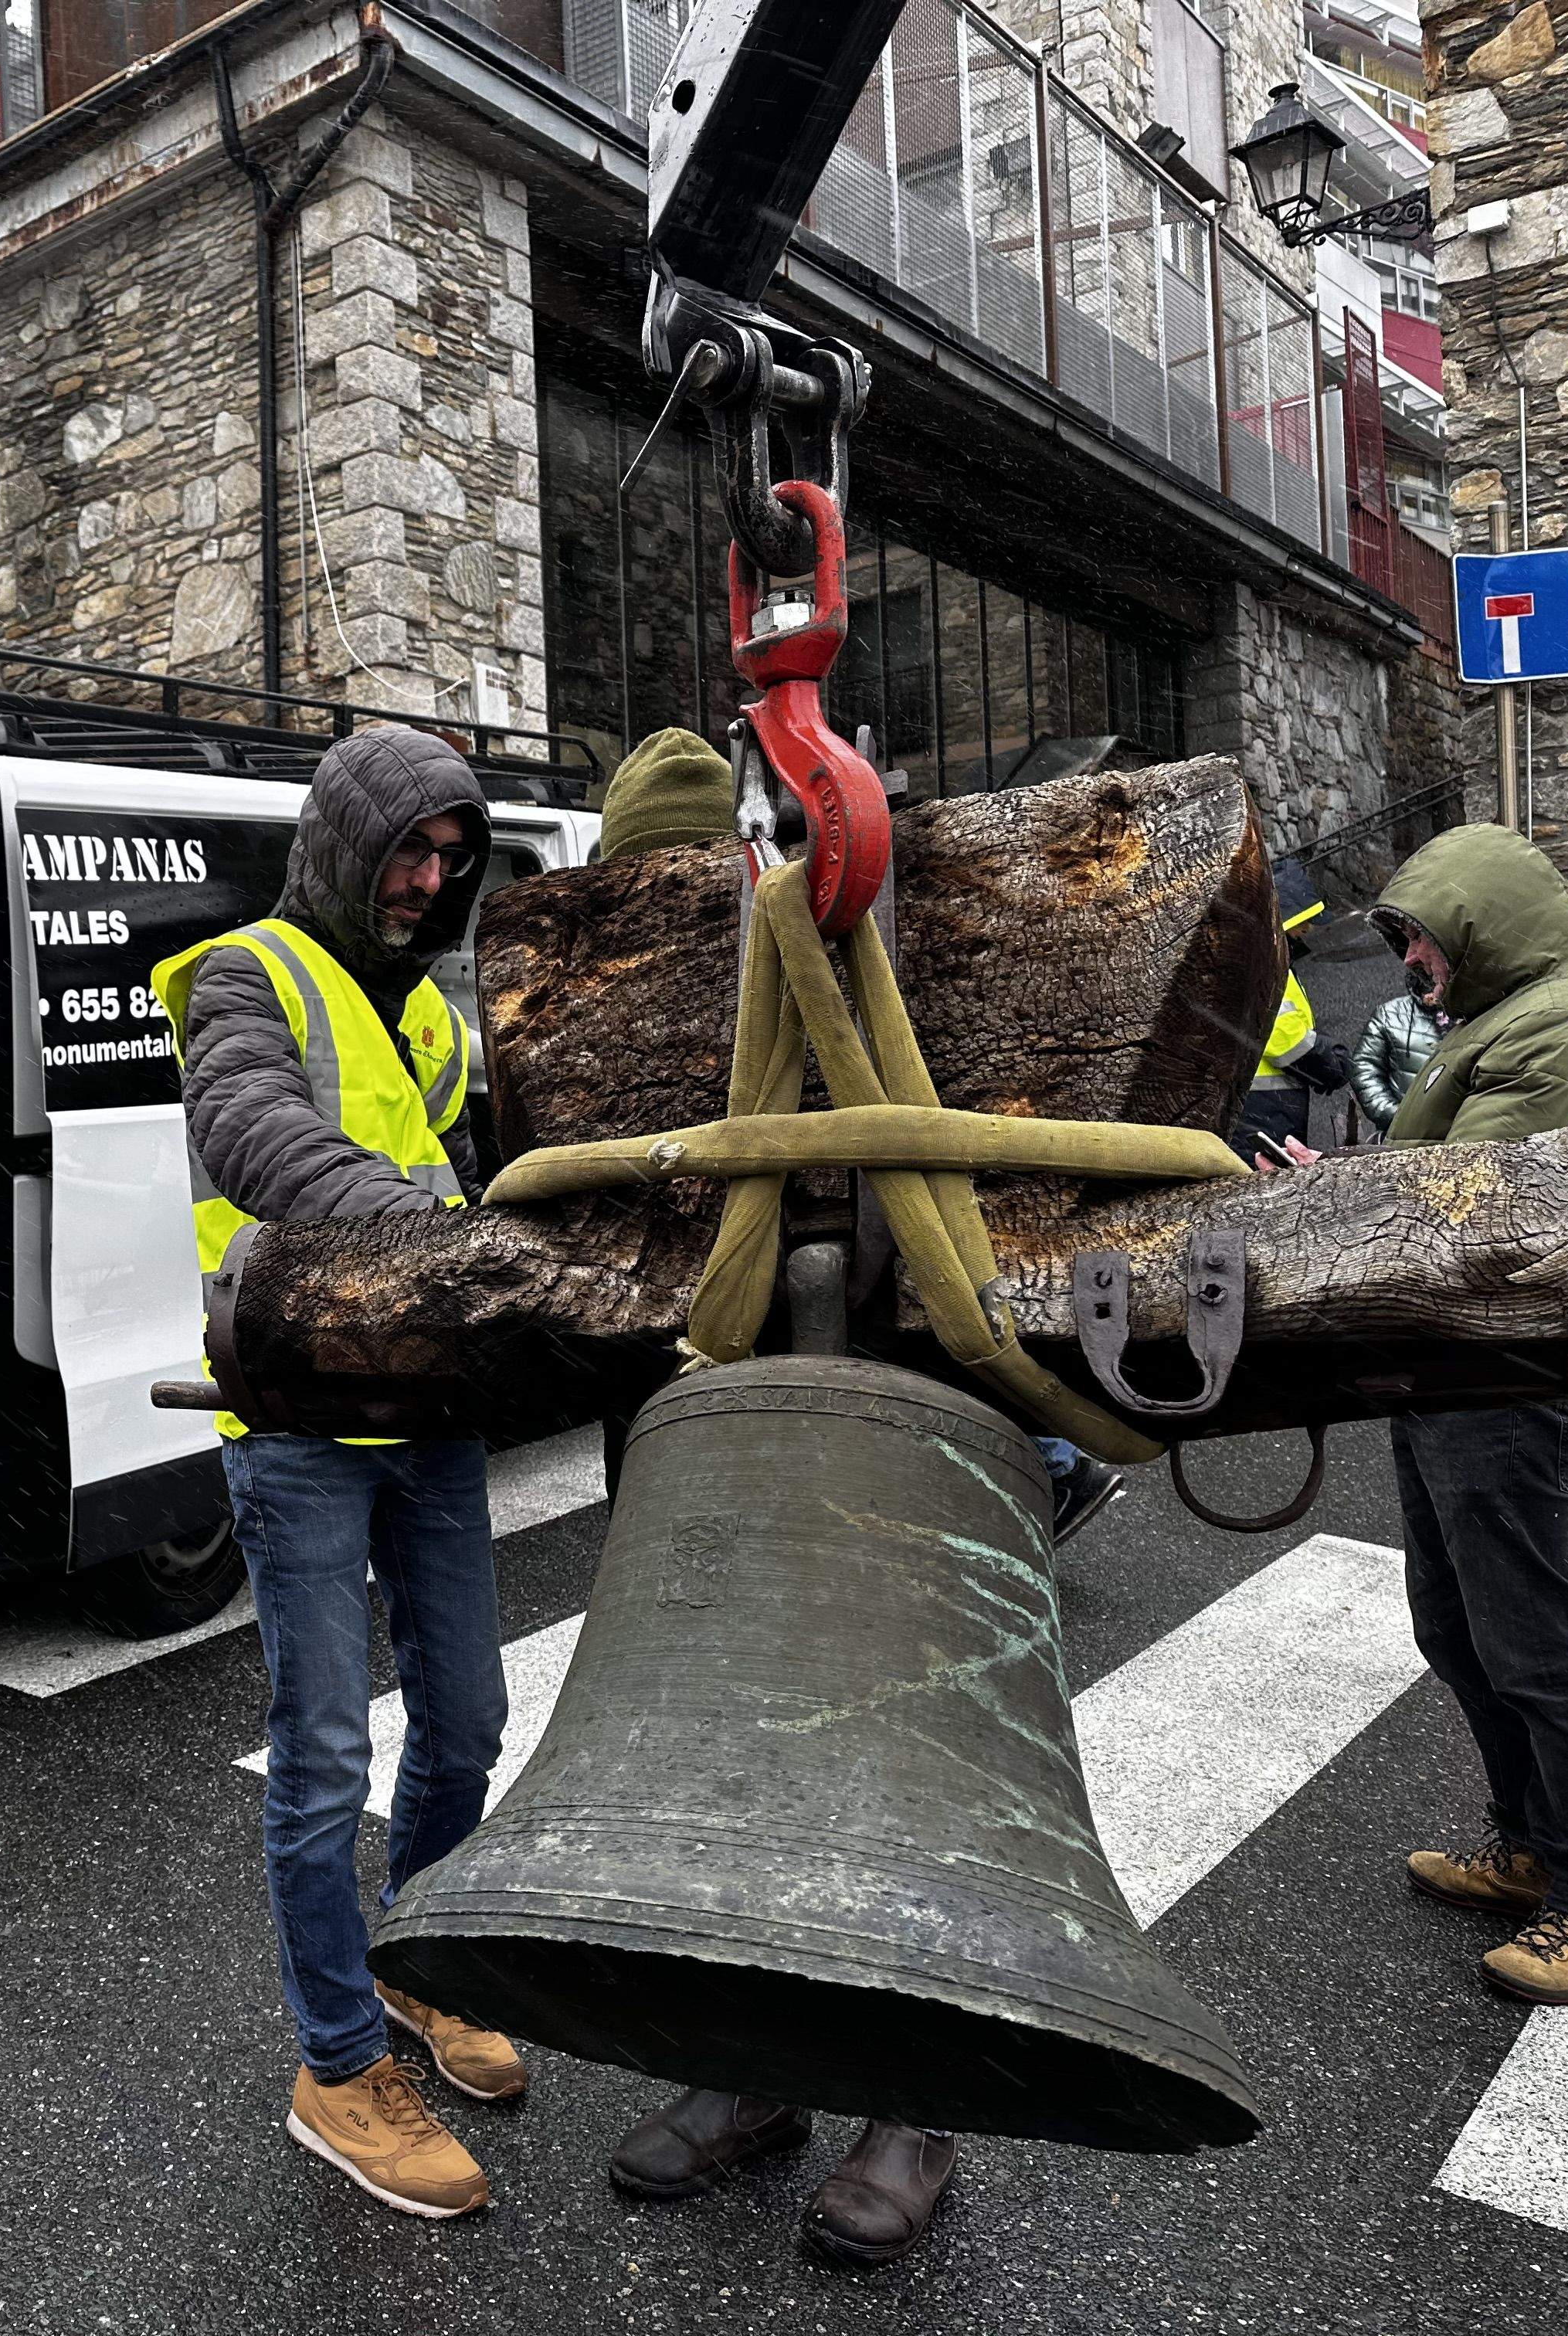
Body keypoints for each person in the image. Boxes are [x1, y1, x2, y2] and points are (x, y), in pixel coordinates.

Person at [581, 726, 964, 2265]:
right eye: (635, 878)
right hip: (690, 1438)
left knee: (888, 1765)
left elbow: (908, 1169)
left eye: (690, 874)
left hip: (864, 1420)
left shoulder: (818, 957)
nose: (663, 904)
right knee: (726, 1773)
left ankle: (911, 2106)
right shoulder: (588, 1003)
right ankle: (755, 2076)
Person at [152, 727, 518, 2221]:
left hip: (425, 1409)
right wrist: (429, 1240)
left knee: (469, 1719)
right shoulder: (244, 973)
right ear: (344, 840)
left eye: (447, 860)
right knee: (319, 1756)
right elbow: (249, 1127)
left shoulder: (429, 1004)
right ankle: (335, 2062)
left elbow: (475, 1155)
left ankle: (415, 1966)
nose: (424, 883)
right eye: (405, 852)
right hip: (297, 1421)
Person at [1353, 827, 1568, 2008]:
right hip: (1457, 1369)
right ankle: (1532, 1844)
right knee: (1462, 1630)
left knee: (1537, 1646)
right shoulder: (1508, 1014)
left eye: (1419, 936)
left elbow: (1470, 1210)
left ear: (1476, 919)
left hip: (1517, 1376)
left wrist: (1348, 1209)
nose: (1410, 962)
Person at [1237, 865, 1358, 1160]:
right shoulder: (1265, 962)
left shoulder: (1260, 954)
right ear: (1287, 923)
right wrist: (1327, 1060)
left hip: (1257, 1105)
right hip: (1262, 1106)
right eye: (1307, 922)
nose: (1312, 929)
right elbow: (1280, 1035)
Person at [1351, 987, 1442, 1133]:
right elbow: (1364, 1068)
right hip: (1403, 1136)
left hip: (1463, 1133)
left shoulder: (1472, 1013)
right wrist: (1395, 1115)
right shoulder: (1390, 1014)